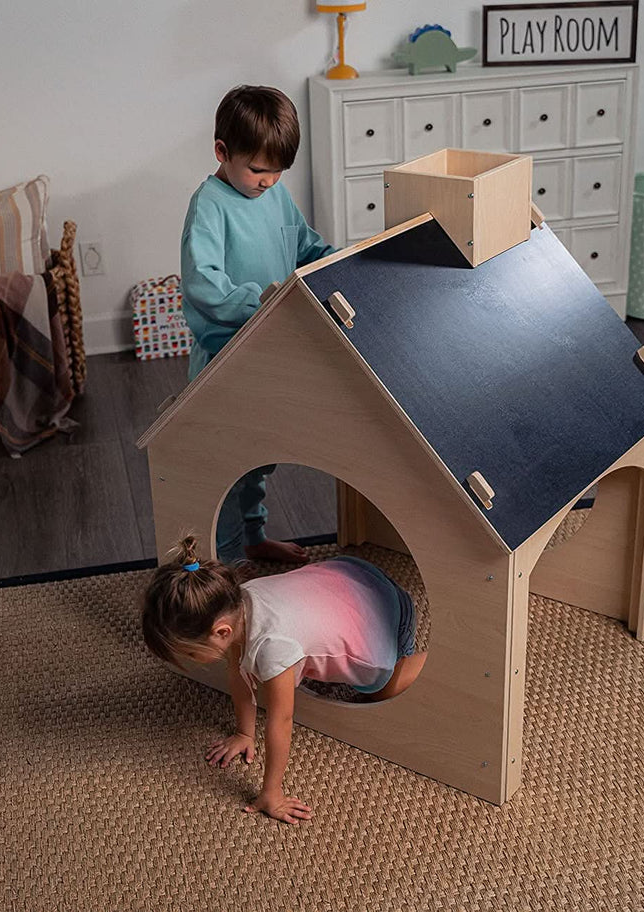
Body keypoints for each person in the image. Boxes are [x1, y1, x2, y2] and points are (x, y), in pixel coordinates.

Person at [142, 535, 427, 825]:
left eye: (191, 651)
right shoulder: (237, 600)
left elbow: (281, 719)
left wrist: (272, 793)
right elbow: (238, 670)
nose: (191, 658)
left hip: (390, 621)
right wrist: (244, 733)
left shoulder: (272, 647)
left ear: (221, 632)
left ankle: (428, 662)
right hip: (356, 575)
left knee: (383, 689)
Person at [180, 85, 337, 565]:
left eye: (278, 171)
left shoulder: (276, 195)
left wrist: (335, 264)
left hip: (274, 347)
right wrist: (262, 300)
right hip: (227, 356)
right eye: (257, 169)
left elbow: (304, 246)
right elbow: (203, 284)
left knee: (258, 459)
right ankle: (224, 561)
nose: (268, 181)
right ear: (222, 153)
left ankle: (253, 537)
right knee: (227, 463)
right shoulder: (209, 203)